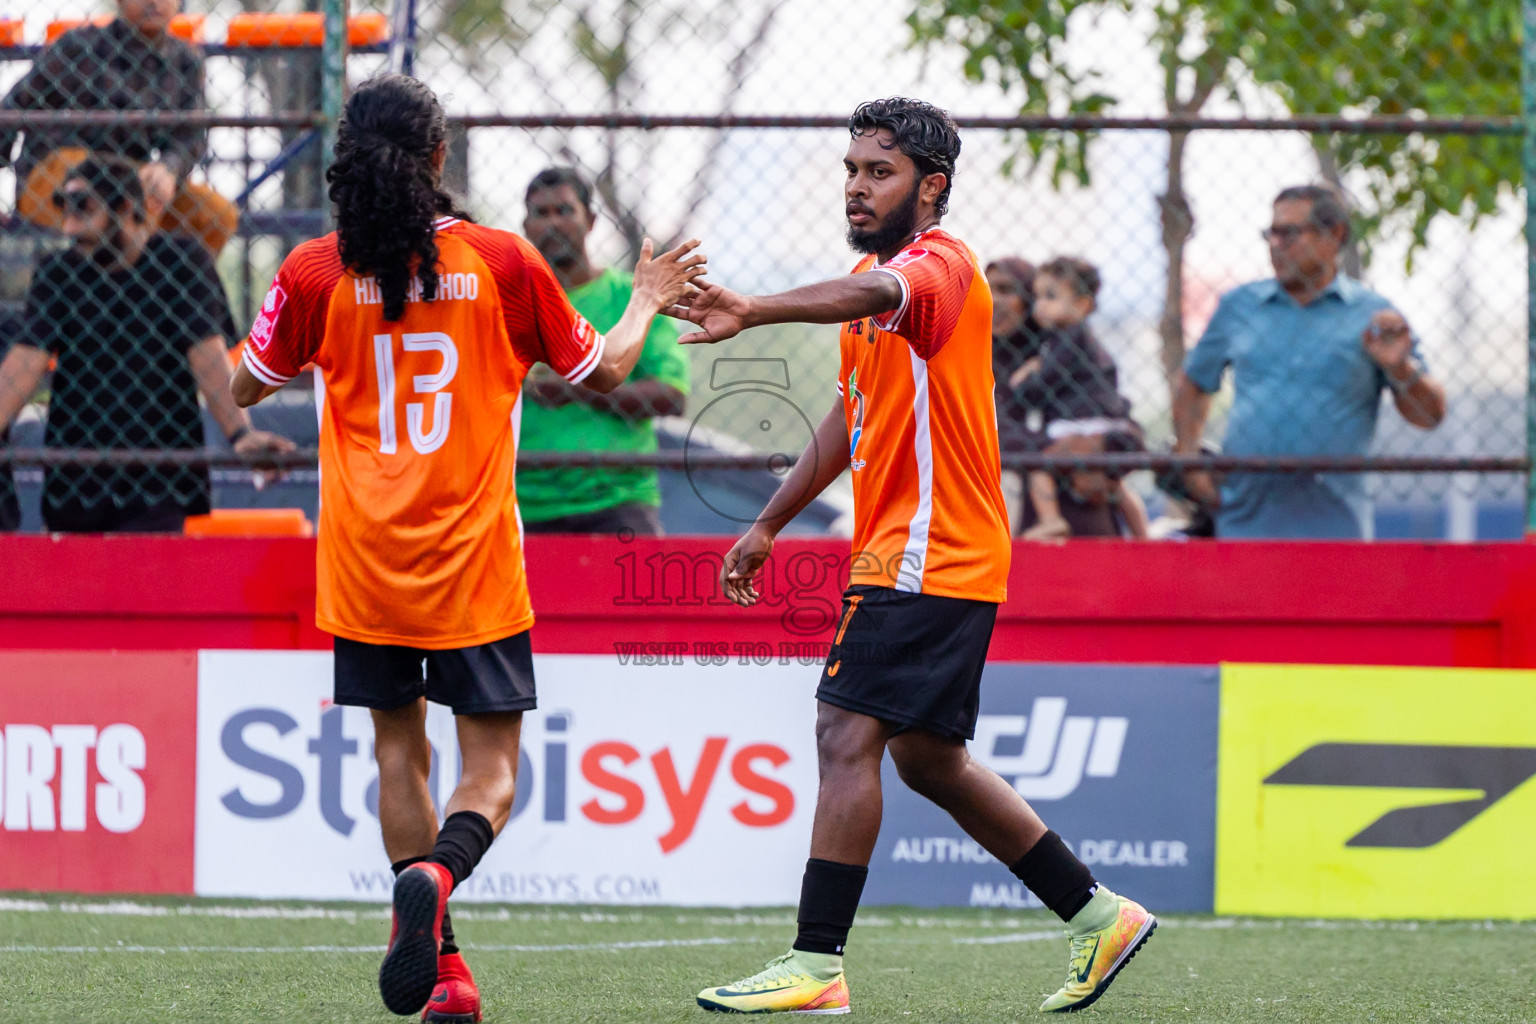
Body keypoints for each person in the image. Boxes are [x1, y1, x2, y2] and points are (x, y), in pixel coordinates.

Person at [229, 74, 703, 1021]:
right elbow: (605, 368)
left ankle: (445, 971)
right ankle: (440, 881)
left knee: (396, 755)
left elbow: (246, 386)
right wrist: (646, 297)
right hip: (473, 560)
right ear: (442, 158)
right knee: (490, 771)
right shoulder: (501, 261)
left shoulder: (316, 271)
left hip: (364, 563)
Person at [672, 97, 1155, 1017]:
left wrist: (759, 309)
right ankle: (1098, 915)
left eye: (879, 172)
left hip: (926, 556)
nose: (858, 185)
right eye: (852, 170)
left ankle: (816, 964)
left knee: (842, 733)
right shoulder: (873, 280)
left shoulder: (938, 266)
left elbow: (882, 294)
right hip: (928, 557)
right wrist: (769, 522)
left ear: (930, 187)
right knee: (929, 759)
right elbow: (850, 420)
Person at [0, 154, 290, 533]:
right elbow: (27, 360)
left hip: (161, 476)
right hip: (78, 475)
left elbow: (207, 354)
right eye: (63, 210)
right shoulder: (60, 271)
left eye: (82, 208)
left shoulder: (180, 263)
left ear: (125, 207)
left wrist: (241, 433)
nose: (69, 226)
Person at [1174, 185, 1447, 539]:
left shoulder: (1373, 317)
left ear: (1334, 235)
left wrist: (1400, 368)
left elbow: (1429, 416)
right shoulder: (1238, 308)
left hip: (1335, 529)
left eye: (1289, 233)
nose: (1277, 245)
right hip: (1244, 525)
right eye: (1271, 233)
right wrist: (1188, 461)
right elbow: (1195, 384)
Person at [517, 166, 690, 536]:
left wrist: (578, 388)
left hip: (617, 502)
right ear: (525, 227)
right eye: (541, 213)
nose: (553, 224)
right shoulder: (511, 302)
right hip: (526, 502)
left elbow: (672, 396)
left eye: (564, 211)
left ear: (590, 220)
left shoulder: (632, 298)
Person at [0, 0, 239, 255]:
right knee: (91, 187)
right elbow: (12, 109)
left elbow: (189, 137)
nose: (153, 2)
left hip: (128, 181)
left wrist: (168, 169)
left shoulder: (185, 62)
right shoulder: (77, 47)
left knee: (215, 215)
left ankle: (164, 288)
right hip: (59, 174)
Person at [1011, 256, 1149, 541]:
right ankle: (1142, 536)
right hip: (1102, 421)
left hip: (1081, 422)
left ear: (1082, 305)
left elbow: (1043, 384)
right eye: (1037, 296)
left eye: (1050, 296)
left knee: (1038, 465)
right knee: (1117, 488)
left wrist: (1023, 382)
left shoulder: (1069, 337)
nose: (1040, 305)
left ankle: (1050, 519)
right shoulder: (1078, 341)